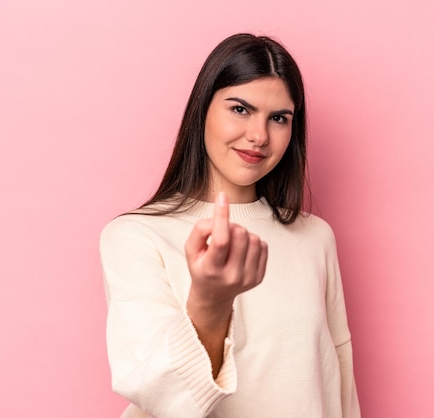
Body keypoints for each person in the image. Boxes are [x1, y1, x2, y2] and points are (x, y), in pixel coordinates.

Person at [100, 33, 360, 418]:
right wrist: (210, 302)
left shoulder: (315, 238)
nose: (259, 136)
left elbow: (338, 386)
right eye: (240, 109)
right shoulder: (136, 237)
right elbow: (159, 394)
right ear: (203, 109)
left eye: (278, 118)